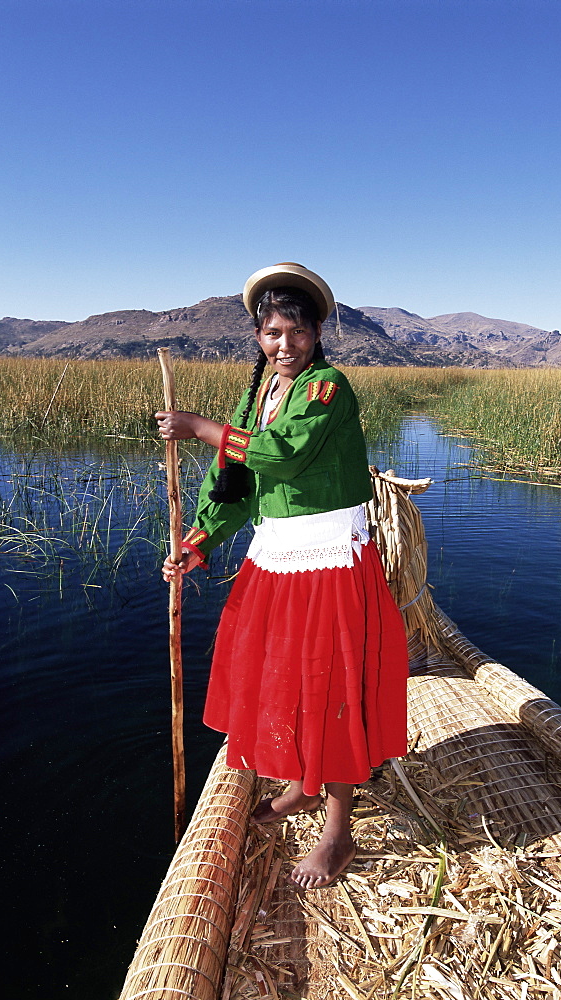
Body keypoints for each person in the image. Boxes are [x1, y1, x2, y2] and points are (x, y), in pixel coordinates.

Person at [156, 263, 409, 890]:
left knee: (334, 686)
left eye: (296, 332)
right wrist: (197, 543)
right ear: (257, 335)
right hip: (277, 560)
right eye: (271, 333)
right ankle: (301, 786)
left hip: (329, 562)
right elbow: (237, 485)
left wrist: (199, 427)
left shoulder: (328, 388)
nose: (284, 345)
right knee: (282, 678)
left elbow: (281, 455)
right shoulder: (257, 395)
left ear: (318, 331)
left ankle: (338, 832)